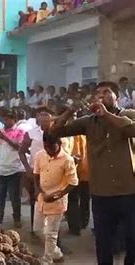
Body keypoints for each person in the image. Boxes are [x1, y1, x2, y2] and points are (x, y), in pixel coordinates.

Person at [51, 81, 135, 264]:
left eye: (106, 92)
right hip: (101, 193)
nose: (101, 96)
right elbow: (55, 132)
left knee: (132, 240)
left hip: (128, 191)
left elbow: (131, 128)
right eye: (98, 93)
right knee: (103, 242)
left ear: (117, 97)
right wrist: (69, 111)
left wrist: (106, 115)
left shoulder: (128, 115)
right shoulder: (87, 122)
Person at [33, 132, 78, 264]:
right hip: (41, 199)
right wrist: (38, 192)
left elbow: (73, 182)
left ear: (59, 144)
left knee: (50, 235)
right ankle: (57, 254)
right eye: (46, 147)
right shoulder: (40, 155)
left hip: (57, 202)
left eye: (52, 148)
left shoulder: (67, 160)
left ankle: (47, 260)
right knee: (38, 230)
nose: (49, 151)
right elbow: (36, 174)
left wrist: (57, 195)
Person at [19, 107, 53, 232]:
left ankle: (50, 231)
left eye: (46, 114)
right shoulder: (31, 133)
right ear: (37, 117)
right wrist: (27, 168)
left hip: (53, 171)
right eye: (41, 114)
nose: (43, 117)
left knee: (52, 202)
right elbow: (22, 151)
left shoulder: (57, 131)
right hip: (36, 172)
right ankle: (35, 229)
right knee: (36, 200)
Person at [0, 109, 25, 228]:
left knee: (15, 197)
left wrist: (4, 137)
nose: (5, 121)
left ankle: (17, 218)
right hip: (1, 168)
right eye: (4, 119)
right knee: (0, 196)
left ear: (14, 120)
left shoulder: (19, 131)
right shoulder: (0, 132)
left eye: (8, 119)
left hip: (14, 169)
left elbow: (19, 147)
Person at [67, 133, 90, 236]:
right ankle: (82, 222)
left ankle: (75, 226)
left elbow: (77, 155)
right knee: (84, 198)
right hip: (85, 172)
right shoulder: (88, 133)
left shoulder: (73, 135)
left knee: (73, 199)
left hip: (77, 171)